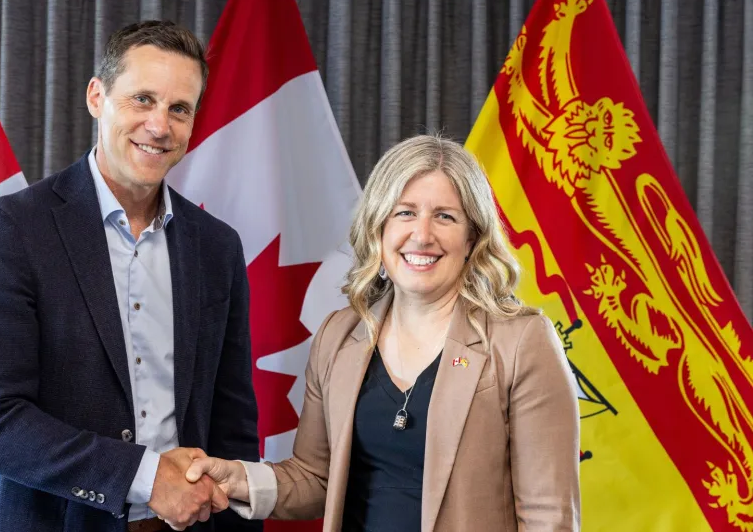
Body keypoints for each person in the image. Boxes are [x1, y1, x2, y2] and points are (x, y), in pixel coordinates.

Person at [0, 21, 261, 532]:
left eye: (179, 109)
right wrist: (145, 477)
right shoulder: (9, 232)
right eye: (142, 99)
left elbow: (232, 429)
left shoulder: (216, 247)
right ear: (97, 97)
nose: (160, 126)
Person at [184, 134, 581, 531]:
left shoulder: (521, 341)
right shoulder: (338, 336)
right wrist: (240, 480)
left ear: (472, 237)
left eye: (445, 216)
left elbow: (549, 516)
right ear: (378, 228)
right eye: (405, 213)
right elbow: (315, 477)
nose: (422, 235)